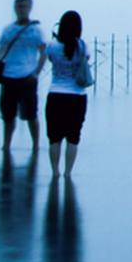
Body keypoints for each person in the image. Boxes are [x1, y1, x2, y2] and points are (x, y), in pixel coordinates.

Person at [0, 0, 47, 153]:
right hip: (9, 76)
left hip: (27, 77)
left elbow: (44, 52)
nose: (21, 10)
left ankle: (36, 146)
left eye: (24, 6)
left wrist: (36, 72)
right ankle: (6, 146)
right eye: (19, 7)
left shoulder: (35, 30)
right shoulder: (8, 30)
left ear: (30, 8)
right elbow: (1, 50)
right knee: (8, 115)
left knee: (31, 114)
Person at [45, 10, 92, 177]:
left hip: (56, 94)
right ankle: (67, 173)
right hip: (77, 96)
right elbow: (86, 60)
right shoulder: (82, 45)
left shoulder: (52, 46)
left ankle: (55, 172)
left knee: (54, 137)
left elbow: (50, 59)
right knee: (73, 137)